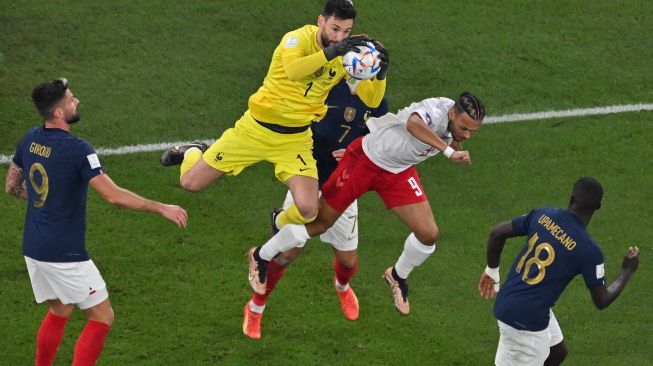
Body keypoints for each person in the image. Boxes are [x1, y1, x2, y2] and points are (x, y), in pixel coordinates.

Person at [247, 92, 485, 320]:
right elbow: (413, 124)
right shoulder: (436, 109)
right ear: (452, 113)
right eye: (464, 128)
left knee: (428, 234)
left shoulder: (455, 127)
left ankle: (397, 276)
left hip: (397, 172)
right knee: (320, 223)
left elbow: (452, 136)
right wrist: (449, 151)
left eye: (473, 131)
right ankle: (261, 255)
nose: (467, 135)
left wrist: (457, 144)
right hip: (365, 161)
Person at [160, 0, 387, 233]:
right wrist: (332, 52)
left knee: (309, 210)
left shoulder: (345, 56)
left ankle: (279, 220)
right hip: (254, 130)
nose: (340, 37)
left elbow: (372, 101)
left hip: (294, 139)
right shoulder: (297, 39)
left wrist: (380, 75)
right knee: (190, 183)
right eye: (335, 29)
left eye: (346, 32)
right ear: (321, 21)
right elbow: (294, 71)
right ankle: (193, 151)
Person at [5, 78, 188, 366]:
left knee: (61, 309)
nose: (76, 101)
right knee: (102, 316)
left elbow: (12, 186)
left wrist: (48, 197)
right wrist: (160, 207)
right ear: (58, 113)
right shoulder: (78, 149)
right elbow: (113, 195)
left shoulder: (30, 138)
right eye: (70, 100)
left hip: (34, 247)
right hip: (64, 253)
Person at [242, 78, 389, 339]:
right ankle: (255, 307)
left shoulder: (376, 98)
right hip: (308, 179)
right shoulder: (325, 86)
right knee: (285, 254)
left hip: (343, 188)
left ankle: (342, 286)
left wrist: (356, 152)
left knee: (347, 261)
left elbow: (381, 141)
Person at [477, 177, 640, 366]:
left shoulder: (543, 214)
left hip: (516, 300)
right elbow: (602, 301)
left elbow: (497, 233)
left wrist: (492, 271)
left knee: (556, 353)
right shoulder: (589, 251)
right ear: (598, 206)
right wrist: (627, 271)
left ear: (571, 198)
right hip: (526, 322)